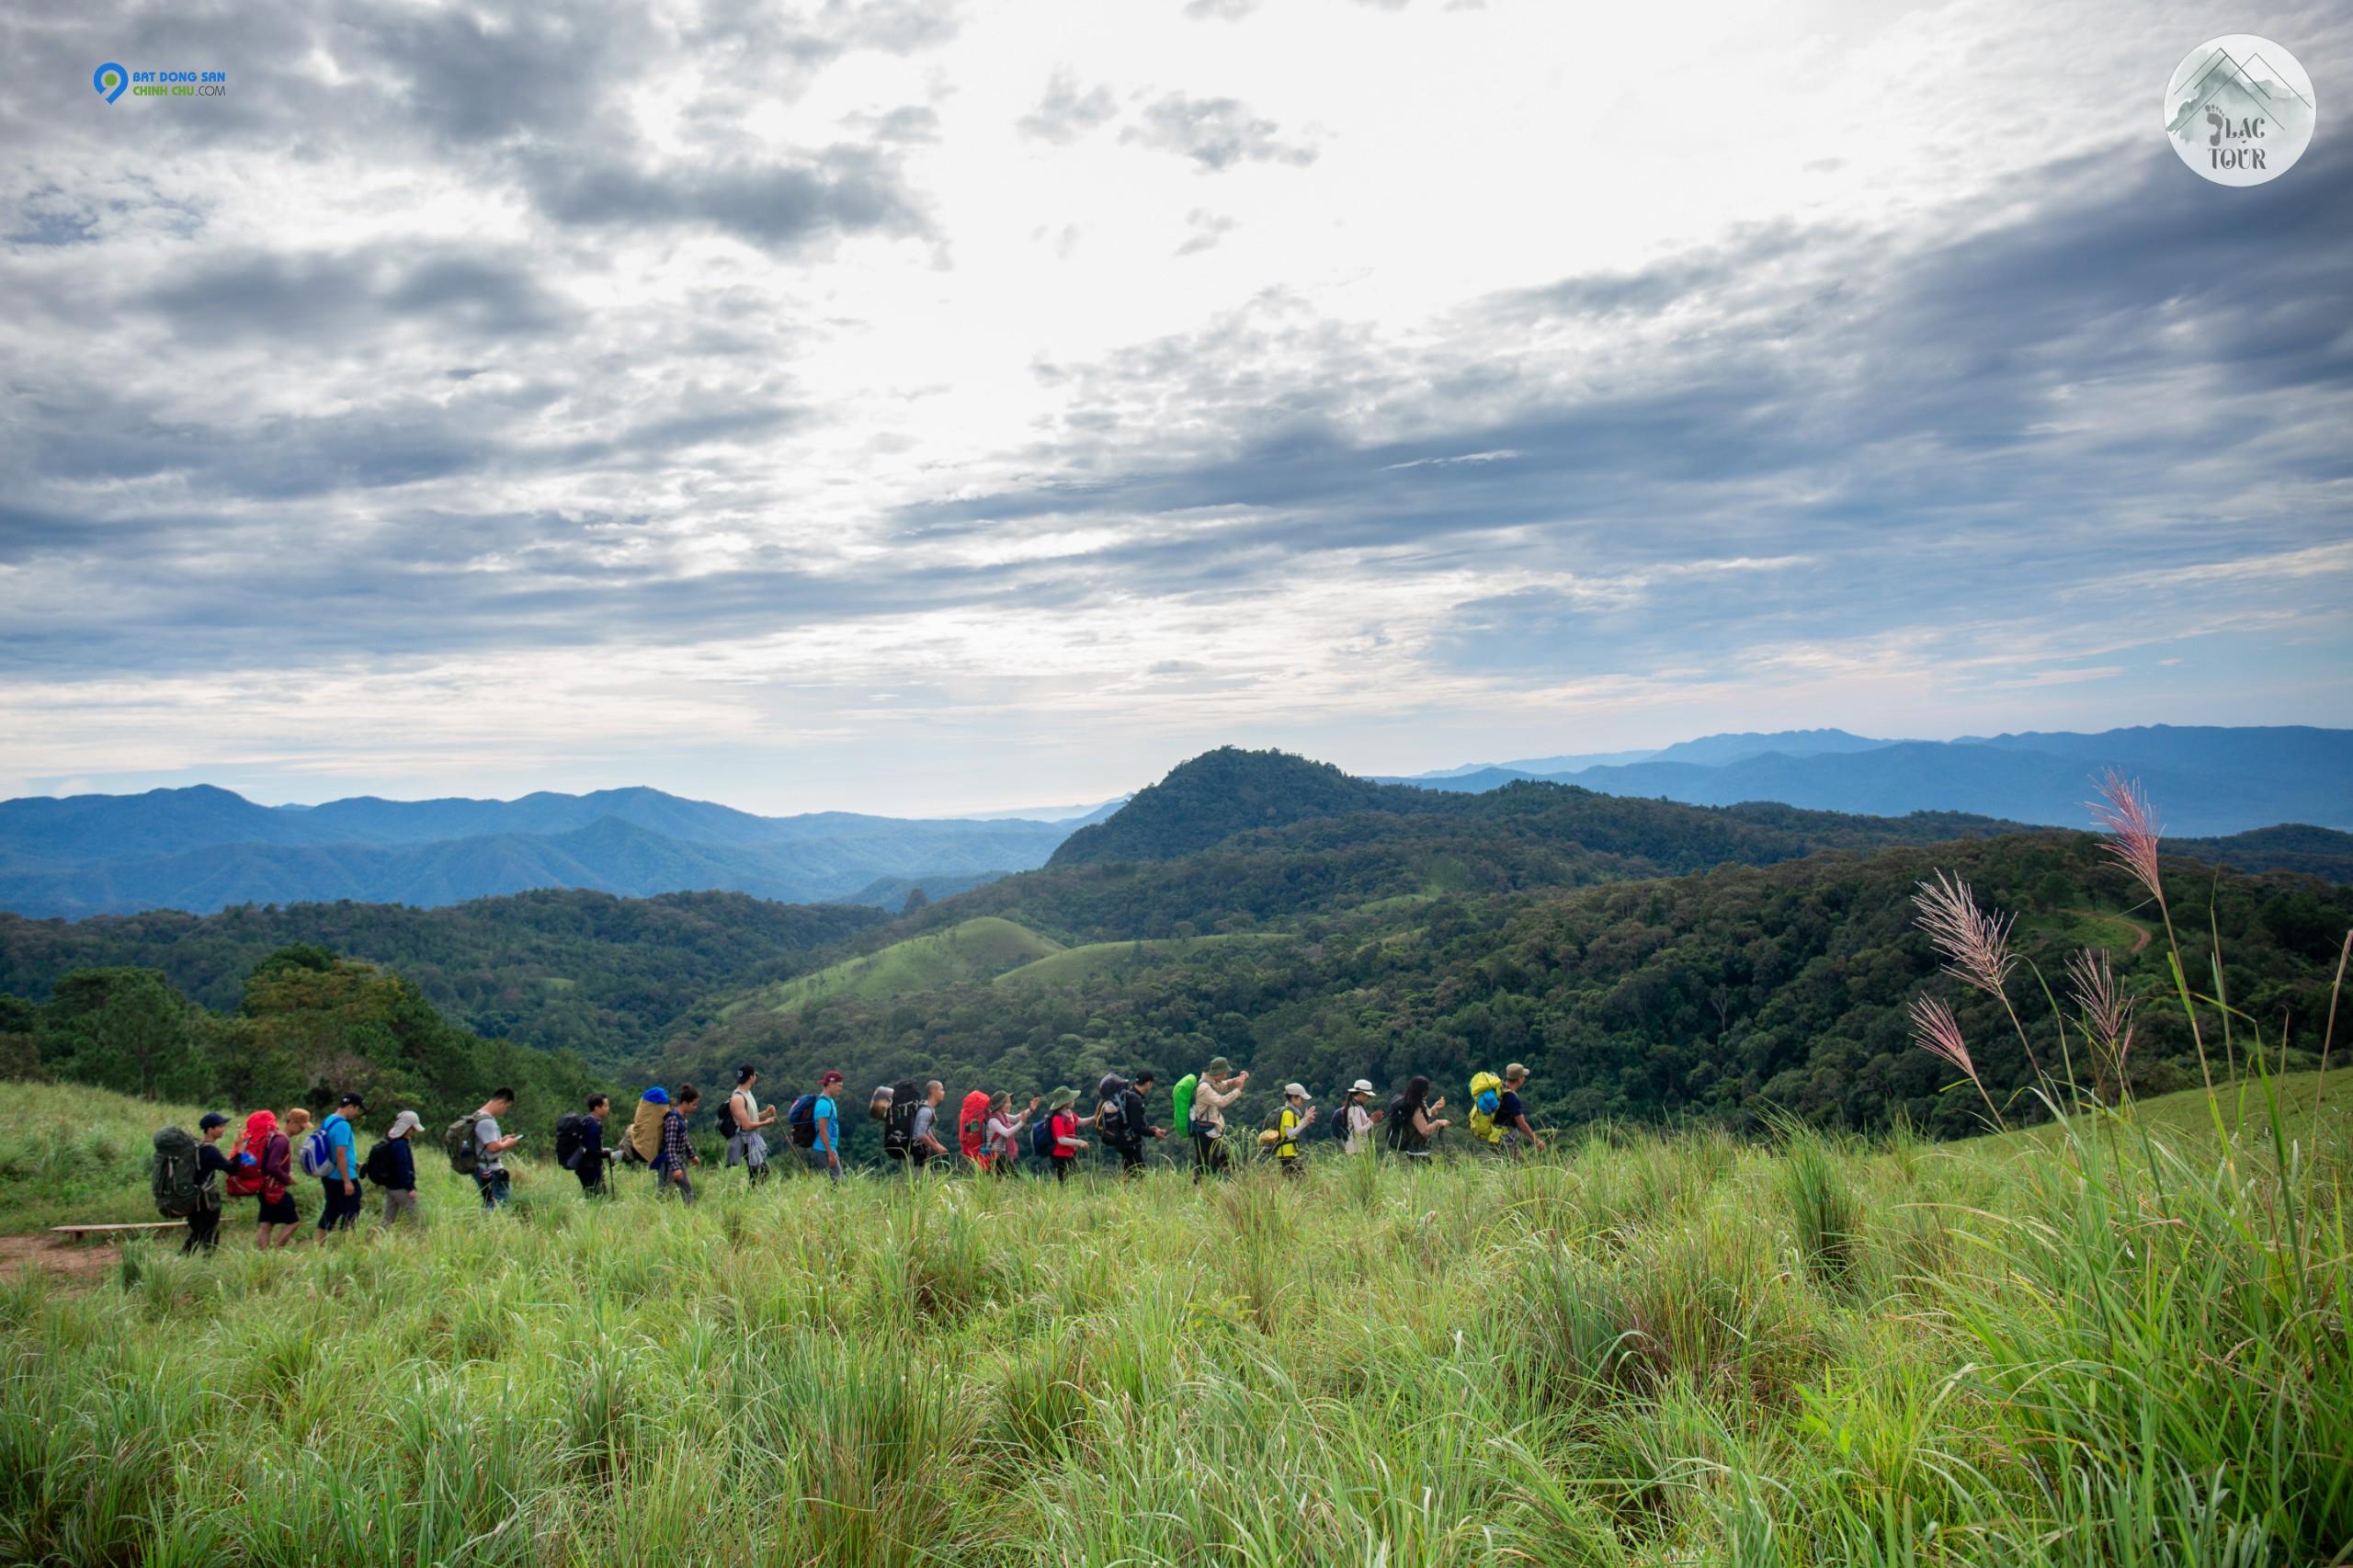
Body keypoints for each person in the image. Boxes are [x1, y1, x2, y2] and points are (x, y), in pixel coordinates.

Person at [244, 1109, 300, 1249]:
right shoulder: (281, 1141)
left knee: (266, 1224)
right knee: (293, 1222)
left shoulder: (275, 1138)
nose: (302, 1130)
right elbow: (272, 1166)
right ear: (292, 1123)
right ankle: (275, 1252)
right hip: (274, 1190)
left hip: (263, 1188)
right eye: (301, 1126)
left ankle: (263, 1255)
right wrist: (287, 1179)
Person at [314, 1093, 367, 1240]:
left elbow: (331, 1150)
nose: (357, 1113)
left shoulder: (328, 1121)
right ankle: (347, 1244)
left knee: (331, 1210)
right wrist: (347, 1181)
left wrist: (353, 1163)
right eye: (357, 1109)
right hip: (342, 1176)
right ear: (350, 1107)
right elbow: (340, 1154)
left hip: (328, 1174)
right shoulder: (343, 1125)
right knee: (352, 1211)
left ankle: (318, 1244)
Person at [1189, 1056, 1248, 1182]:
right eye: (1225, 1073)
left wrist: (1239, 1080)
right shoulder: (1205, 1088)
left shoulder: (1212, 1083)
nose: (1225, 1075)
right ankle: (1202, 1187)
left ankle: (1215, 1183)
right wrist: (1238, 1090)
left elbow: (1225, 1085)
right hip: (1205, 1133)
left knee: (1221, 1159)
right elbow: (1221, 1102)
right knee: (1205, 1164)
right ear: (1219, 1073)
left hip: (1212, 1131)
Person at [183, 1112, 233, 1254]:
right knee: (210, 1233)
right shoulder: (211, 1151)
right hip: (206, 1199)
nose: (223, 1129)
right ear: (210, 1130)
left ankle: (180, 1260)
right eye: (220, 1126)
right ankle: (207, 1264)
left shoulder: (196, 1147)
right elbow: (232, 1169)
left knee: (197, 1233)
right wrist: (241, 1151)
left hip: (191, 1198)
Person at [1103, 1071, 1166, 1176]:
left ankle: (1123, 1192)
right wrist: (1153, 1133)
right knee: (1141, 1175)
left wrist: (1151, 1129)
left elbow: (1132, 1122)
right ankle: (1135, 1192)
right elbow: (1137, 1127)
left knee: (1128, 1173)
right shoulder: (1135, 1100)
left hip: (1124, 1141)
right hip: (1130, 1143)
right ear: (1148, 1084)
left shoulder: (1128, 1094)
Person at [369, 1110, 423, 1229]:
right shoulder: (400, 1145)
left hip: (391, 1187)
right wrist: (410, 1188)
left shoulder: (391, 1141)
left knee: (387, 1219)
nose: (413, 1131)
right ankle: (423, 1241)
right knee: (417, 1219)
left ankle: (378, 1238)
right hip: (401, 1188)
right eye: (412, 1128)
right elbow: (403, 1167)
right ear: (407, 1128)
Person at [472, 1088, 523, 1210]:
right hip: (490, 1170)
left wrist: (502, 1140)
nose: (505, 1110)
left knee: (489, 1201)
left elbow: (486, 1144)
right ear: (501, 1102)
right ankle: (493, 1226)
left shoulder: (478, 1115)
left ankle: (488, 1225)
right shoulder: (487, 1122)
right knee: (497, 1203)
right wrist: (507, 1144)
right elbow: (493, 1147)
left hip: (481, 1166)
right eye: (507, 1107)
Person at [724, 1065, 776, 1184]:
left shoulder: (747, 1093)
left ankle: (754, 1195)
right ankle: (753, 1196)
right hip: (746, 1140)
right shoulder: (738, 1098)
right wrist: (765, 1123)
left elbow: (751, 1116)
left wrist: (766, 1113)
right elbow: (746, 1125)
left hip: (753, 1138)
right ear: (751, 1077)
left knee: (759, 1172)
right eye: (755, 1075)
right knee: (760, 1172)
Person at [1387, 1076, 1449, 1161]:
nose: (1427, 1092)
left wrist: (1436, 1107)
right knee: (1425, 1171)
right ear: (1422, 1091)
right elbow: (1424, 1131)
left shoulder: (1411, 1104)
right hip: (1417, 1150)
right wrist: (1439, 1123)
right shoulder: (1415, 1108)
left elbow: (1421, 1119)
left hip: (1414, 1149)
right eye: (1426, 1089)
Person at [657, 1085, 701, 1202]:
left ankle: (689, 1217)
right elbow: (669, 1148)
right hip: (670, 1161)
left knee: (687, 1190)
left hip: (679, 1159)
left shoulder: (683, 1119)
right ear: (685, 1103)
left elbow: (684, 1140)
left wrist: (692, 1155)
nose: (695, 1108)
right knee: (665, 1194)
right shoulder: (673, 1119)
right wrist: (675, 1168)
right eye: (694, 1104)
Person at [986, 1092, 1038, 1177]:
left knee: (1003, 1181)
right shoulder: (993, 1120)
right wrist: (1022, 1122)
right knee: (1013, 1179)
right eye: (1007, 1102)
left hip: (1000, 1156)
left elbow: (1016, 1118)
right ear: (1000, 1104)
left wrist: (1031, 1110)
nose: (1010, 1105)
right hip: (994, 1157)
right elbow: (1007, 1133)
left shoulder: (1002, 1115)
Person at [806, 1071, 845, 1182]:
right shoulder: (823, 1104)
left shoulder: (830, 1101)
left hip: (829, 1148)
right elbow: (823, 1131)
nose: (840, 1089)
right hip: (822, 1150)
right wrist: (830, 1154)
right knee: (838, 1182)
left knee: (836, 1182)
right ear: (831, 1084)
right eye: (839, 1086)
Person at [574, 1093, 614, 1197]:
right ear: (597, 1108)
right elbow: (591, 1151)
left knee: (593, 1197)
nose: (608, 1108)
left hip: (584, 1166)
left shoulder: (587, 1121)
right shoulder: (593, 1125)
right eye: (605, 1106)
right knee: (597, 1197)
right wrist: (605, 1153)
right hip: (590, 1167)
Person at [1498, 1063, 1544, 1154]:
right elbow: (1522, 1124)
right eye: (1523, 1076)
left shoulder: (1501, 1089)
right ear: (1520, 1079)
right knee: (1518, 1167)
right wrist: (1537, 1141)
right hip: (1506, 1141)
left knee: (1521, 1166)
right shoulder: (1511, 1098)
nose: (1524, 1079)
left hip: (1497, 1138)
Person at [1045, 1086, 1086, 1182]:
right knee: (1067, 1182)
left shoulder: (1068, 1113)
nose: (1073, 1100)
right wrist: (1079, 1142)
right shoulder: (1058, 1119)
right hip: (1061, 1156)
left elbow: (1080, 1121)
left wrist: (1095, 1117)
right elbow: (1061, 1140)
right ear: (1066, 1102)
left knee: (1074, 1180)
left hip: (1069, 1153)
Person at [1273, 1084, 1315, 1176]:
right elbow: (1290, 1133)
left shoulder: (1290, 1112)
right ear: (1294, 1097)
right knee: (1300, 1180)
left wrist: (1305, 1119)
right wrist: (1305, 1122)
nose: (1302, 1102)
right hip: (1287, 1154)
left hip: (1289, 1153)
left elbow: (1294, 1128)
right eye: (1301, 1099)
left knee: (1297, 1181)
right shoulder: (1288, 1113)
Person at [908, 1081, 949, 1175]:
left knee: (925, 1182)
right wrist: (936, 1147)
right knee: (918, 1184)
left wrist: (937, 1144)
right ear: (933, 1092)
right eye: (941, 1090)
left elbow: (927, 1130)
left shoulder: (928, 1108)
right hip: (916, 1153)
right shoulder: (927, 1111)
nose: (944, 1092)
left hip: (919, 1152)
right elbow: (921, 1134)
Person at [1339, 1079, 1384, 1154]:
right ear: (1361, 1093)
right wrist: (1371, 1121)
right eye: (1368, 1096)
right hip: (1356, 1149)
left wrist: (1372, 1119)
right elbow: (1358, 1131)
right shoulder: (1355, 1108)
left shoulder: (1358, 1106)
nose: (1369, 1098)